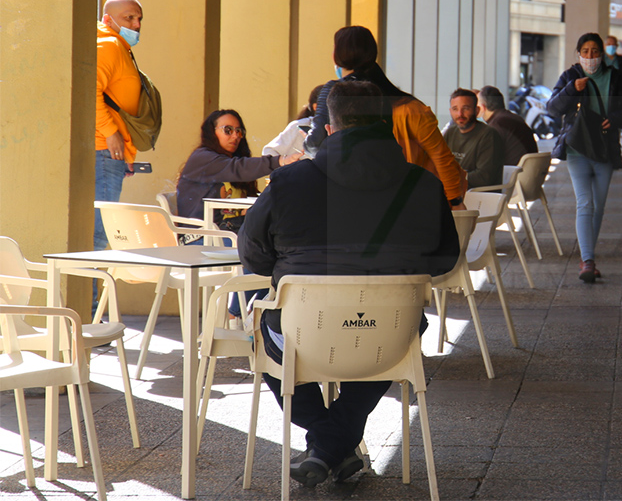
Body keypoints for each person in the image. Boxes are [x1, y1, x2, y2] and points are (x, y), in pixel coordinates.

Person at [239, 80, 459, 487]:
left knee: (258, 330)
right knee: (400, 329)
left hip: (304, 335)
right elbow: (445, 260)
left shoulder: (287, 184)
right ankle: (335, 444)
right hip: (388, 336)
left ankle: (326, 444)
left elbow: (253, 255)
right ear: (386, 122)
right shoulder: (424, 185)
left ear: (328, 127)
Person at [305, 26, 467, 209]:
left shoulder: (338, 104)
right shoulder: (410, 108)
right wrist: (455, 200)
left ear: (337, 55)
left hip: (377, 201)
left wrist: (454, 199)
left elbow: (441, 157)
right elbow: (441, 155)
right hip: (404, 200)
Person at [549, 33, 622, 283]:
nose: (590, 56)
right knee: (585, 203)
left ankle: (587, 257)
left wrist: (614, 119)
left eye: (595, 51)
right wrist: (572, 89)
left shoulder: (615, 77)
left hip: (604, 148)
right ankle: (588, 260)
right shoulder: (570, 76)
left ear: (602, 53)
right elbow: (553, 108)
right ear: (578, 53)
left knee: (599, 206)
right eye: (585, 51)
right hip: (577, 148)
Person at [176, 109, 301, 227]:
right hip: (202, 237)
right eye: (228, 130)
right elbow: (238, 168)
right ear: (211, 132)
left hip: (232, 234)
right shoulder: (202, 158)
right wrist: (279, 161)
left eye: (239, 131)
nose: (235, 136)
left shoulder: (232, 161)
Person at [94, 0, 145, 251]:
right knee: (98, 236)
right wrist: (111, 132)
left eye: (139, 19)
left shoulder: (119, 47)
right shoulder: (108, 46)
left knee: (101, 236)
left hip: (111, 153)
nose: (136, 25)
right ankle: (84, 293)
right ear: (107, 19)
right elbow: (87, 90)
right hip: (104, 150)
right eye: (129, 18)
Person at [443, 88, 505, 188]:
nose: (460, 114)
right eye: (455, 109)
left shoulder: (489, 135)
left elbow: (484, 177)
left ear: (477, 111)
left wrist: (450, 177)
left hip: (478, 195)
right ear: (450, 111)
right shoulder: (451, 132)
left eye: (466, 108)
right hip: (453, 190)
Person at [477, 85, 538, 166]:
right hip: (529, 173)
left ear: (483, 107)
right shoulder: (515, 118)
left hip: (511, 174)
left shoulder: (496, 125)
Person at [262, 84, 322, 157]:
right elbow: (268, 152)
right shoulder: (299, 126)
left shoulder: (337, 131)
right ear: (316, 107)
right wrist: (285, 162)